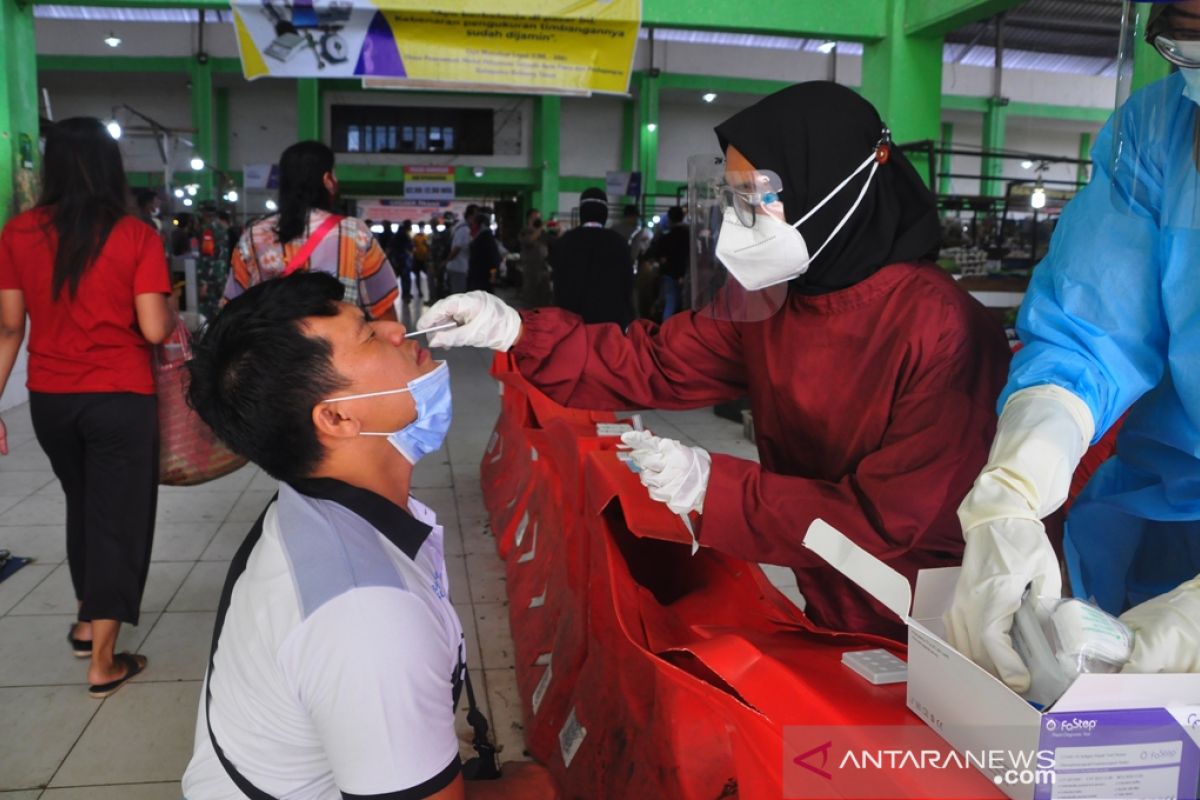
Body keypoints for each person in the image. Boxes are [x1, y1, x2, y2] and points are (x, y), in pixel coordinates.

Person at [416, 82, 1011, 640]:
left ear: (833, 183)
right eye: (735, 198)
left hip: (938, 611)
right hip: (827, 577)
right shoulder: (773, 299)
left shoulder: (944, 329)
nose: (740, 220)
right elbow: (656, 362)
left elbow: (896, 521)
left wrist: (714, 488)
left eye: (759, 197)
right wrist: (518, 330)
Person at [181, 272, 556, 800]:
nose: (397, 331)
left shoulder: (310, 505)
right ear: (336, 417)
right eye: (368, 334)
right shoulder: (367, 615)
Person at [947, 0, 1200, 686]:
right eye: (1190, 40)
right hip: (1164, 519)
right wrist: (1013, 494)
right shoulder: (1158, 131)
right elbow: (1088, 335)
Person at [0, 117, 175, 697]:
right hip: (119, 398)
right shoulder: (135, 235)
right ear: (111, 167)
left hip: (51, 401)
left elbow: (8, 329)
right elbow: (153, 330)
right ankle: (104, 660)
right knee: (117, 521)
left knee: (83, 505)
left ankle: (84, 620)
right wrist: (169, 309)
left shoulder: (18, 232)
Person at [223, 141, 398, 321]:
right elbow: (382, 307)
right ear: (327, 180)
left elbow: (232, 306)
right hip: (340, 347)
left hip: (273, 347)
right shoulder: (355, 233)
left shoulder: (252, 236)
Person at [546, 188, 635, 327]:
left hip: (572, 324)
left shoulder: (566, 241)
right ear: (605, 212)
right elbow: (628, 285)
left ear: (582, 211)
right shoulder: (618, 242)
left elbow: (556, 281)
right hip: (609, 324)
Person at [194, 201, 230, 323]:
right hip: (220, 275)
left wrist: (203, 282)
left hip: (211, 279)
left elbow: (207, 256)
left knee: (207, 316)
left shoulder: (208, 231)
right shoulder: (222, 228)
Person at [444, 204, 478, 295]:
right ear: (471, 215)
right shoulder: (464, 229)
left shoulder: (461, 227)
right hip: (458, 268)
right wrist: (447, 261)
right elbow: (457, 248)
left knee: (457, 295)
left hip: (458, 267)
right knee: (458, 296)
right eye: (476, 215)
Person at [467, 212, 501, 292]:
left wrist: (493, 275)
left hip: (483, 276)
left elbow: (493, 258)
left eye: (474, 223)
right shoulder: (480, 236)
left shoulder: (485, 237)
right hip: (478, 275)